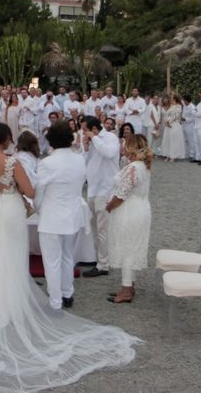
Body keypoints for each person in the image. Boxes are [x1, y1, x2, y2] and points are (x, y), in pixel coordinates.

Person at [0, 121, 141, 393]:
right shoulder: (13, 163)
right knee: (12, 256)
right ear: (6, 139)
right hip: (11, 212)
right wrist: (17, 191)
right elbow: (31, 192)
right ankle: (15, 301)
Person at [35, 120, 87, 310]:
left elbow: (39, 191)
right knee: (67, 257)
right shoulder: (80, 159)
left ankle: (55, 301)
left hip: (51, 216)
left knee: (52, 261)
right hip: (72, 214)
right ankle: (67, 293)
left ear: (50, 141)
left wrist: (38, 208)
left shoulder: (46, 163)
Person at [106, 134, 152, 304]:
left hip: (130, 211)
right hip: (140, 208)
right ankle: (129, 285)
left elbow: (121, 194)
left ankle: (126, 290)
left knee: (127, 249)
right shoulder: (142, 165)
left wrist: (109, 206)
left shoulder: (134, 167)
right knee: (131, 248)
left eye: (125, 146)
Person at [80, 115, 120, 278]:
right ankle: (97, 258)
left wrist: (95, 139)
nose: (82, 132)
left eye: (84, 129)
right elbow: (84, 163)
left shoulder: (111, 138)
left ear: (94, 128)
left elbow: (109, 153)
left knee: (103, 229)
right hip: (93, 188)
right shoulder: (90, 140)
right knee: (94, 227)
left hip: (106, 189)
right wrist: (86, 148)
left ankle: (104, 264)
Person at [160, 93, 186, 162]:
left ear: (174, 99)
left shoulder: (178, 106)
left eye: (171, 97)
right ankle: (168, 155)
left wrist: (169, 121)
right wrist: (166, 121)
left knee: (174, 141)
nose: (170, 99)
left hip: (174, 125)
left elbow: (176, 115)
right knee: (167, 141)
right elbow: (167, 114)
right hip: (168, 126)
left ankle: (173, 156)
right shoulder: (171, 106)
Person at [181, 94, 196, 160]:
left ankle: (192, 154)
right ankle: (186, 153)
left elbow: (194, 118)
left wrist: (185, 119)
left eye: (184, 100)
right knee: (185, 140)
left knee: (190, 140)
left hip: (190, 125)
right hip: (183, 125)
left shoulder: (192, 107)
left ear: (187, 100)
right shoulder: (185, 105)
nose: (183, 101)